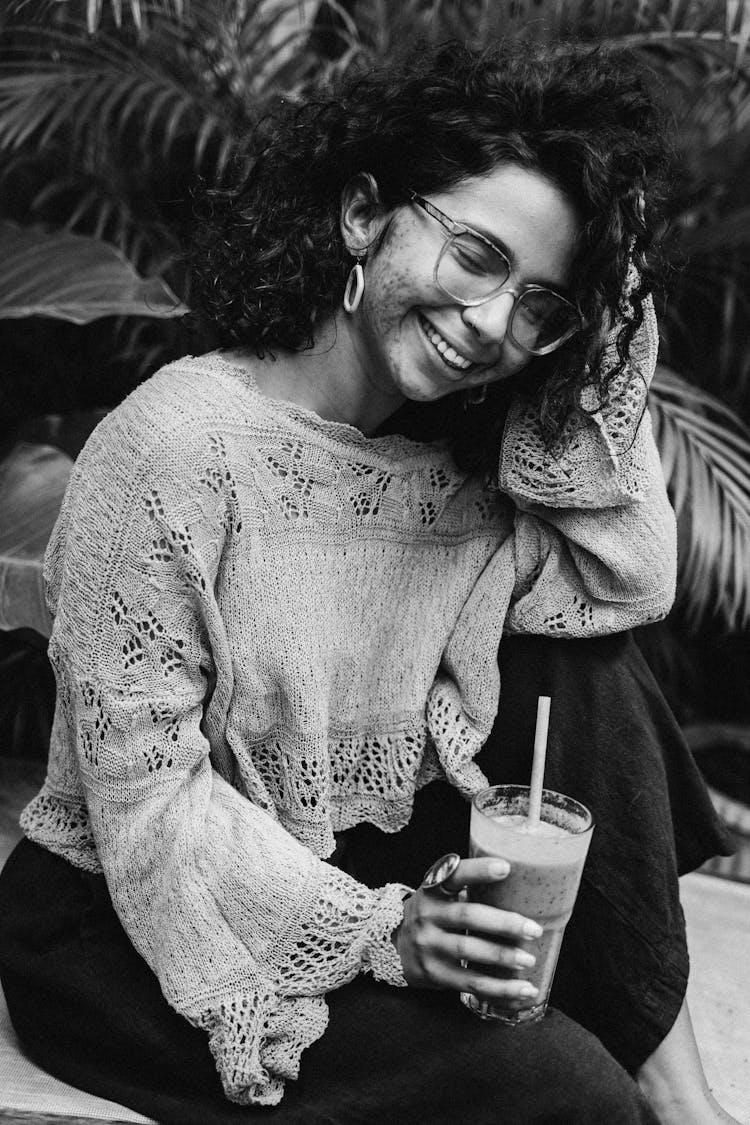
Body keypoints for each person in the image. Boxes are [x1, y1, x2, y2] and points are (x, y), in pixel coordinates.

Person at [0, 39, 738, 1125]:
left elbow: (621, 579)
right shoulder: (176, 447)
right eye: (478, 256)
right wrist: (380, 931)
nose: (494, 324)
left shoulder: (452, 483)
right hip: (120, 910)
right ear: (360, 215)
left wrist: (611, 278)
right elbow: (148, 801)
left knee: (579, 659)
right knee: (562, 1093)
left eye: (542, 307)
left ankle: (692, 1107)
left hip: (348, 852)